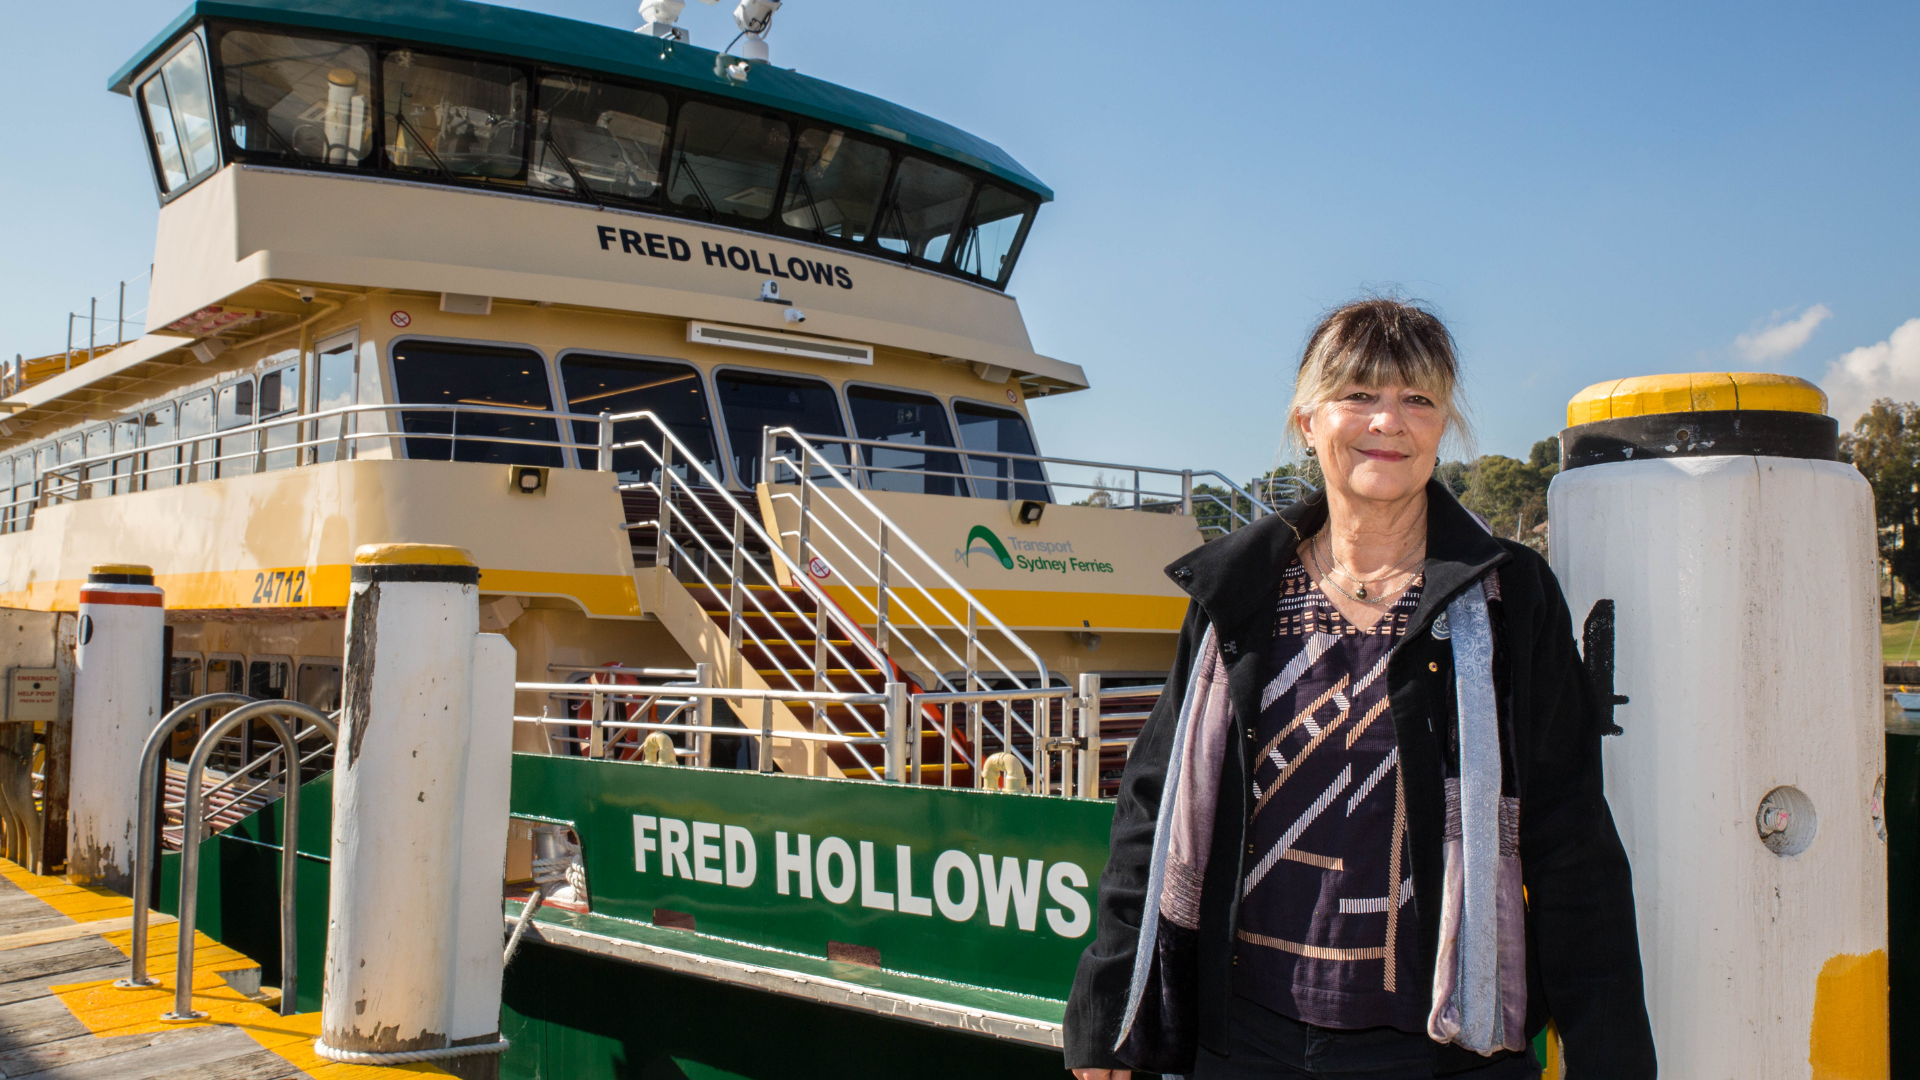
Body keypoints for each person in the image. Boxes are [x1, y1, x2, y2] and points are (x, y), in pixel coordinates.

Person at [1063, 298, 1656, 1079]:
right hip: (1242, 1041)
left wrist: (1610, 1053)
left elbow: (1569, 834)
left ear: (1444, 425)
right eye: (1359, 396)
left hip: (1443, 1049)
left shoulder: (1510, 597)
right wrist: (1110, 1004)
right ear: (1308, 420)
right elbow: (1151, 805)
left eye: (1418, 399)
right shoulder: (1235, 593)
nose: (1390, 422)